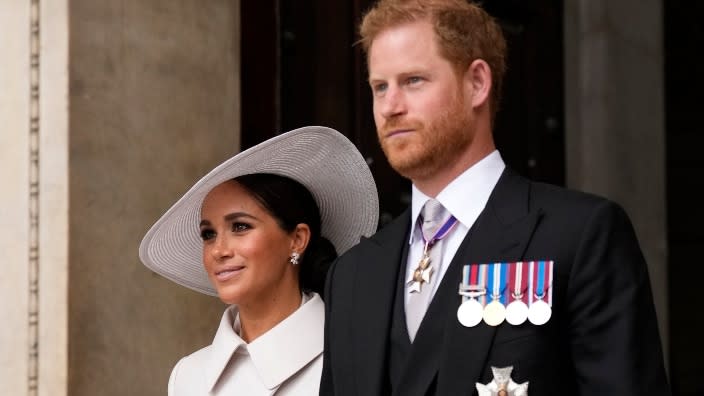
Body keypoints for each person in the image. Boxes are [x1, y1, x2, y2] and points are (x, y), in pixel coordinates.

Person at [320, 1, 670, 395]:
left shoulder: (580, 236)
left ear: (477, 84)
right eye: (379, 86)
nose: (390, 107)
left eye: (413, 80)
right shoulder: (351, 275)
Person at [139, 126, 378, 395]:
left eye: (240, 227)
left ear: (298, 239)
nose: (219, 250)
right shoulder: (189, 377)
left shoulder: (360, 360)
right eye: (208, 234)